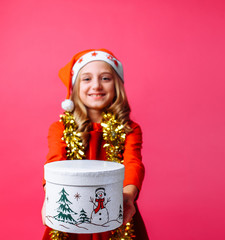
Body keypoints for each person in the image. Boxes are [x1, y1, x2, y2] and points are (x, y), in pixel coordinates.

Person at [41, 49, 149, 240]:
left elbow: (133, 163)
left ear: (117, 85)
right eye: (87, 79)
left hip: (117, 213)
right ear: (75, 87)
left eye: (105, 78)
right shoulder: (60, 129)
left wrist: (127, 197)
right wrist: (50, 198)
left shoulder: (129, 129)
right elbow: (55, 163)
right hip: (72, 217)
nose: (96, 86)